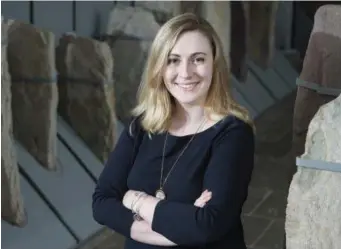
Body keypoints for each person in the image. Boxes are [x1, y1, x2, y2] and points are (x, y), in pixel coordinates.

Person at [92, 12, 255, 249]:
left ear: (215, 64)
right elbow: (102, 202)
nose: (186, 73)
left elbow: (207, 224)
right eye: (173, 60)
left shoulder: (233, 133)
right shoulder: (143, 125)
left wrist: (136, 200)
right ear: (159, 67)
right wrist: (181, 224)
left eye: (198, 59)